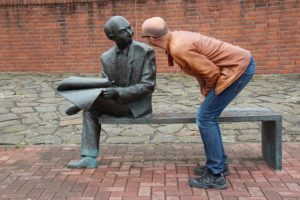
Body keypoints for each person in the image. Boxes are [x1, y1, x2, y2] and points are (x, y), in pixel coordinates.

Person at [141, 17, 256, 189]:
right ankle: (219, 165)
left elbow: (211, 73)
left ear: (152, 39)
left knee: (205, 118)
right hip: (238, 64)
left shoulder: (179, 47)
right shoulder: (176, 38)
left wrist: (207, 92)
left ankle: (215, 175)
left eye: (145, 38)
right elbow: (202, 70)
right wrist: (206, 91)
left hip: (238, 69)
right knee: (208, 115)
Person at [63, 16, 156, 168]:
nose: (130, 32)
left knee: (89, 106)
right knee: (90, 109)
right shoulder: (106, 57)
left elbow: (148, 86)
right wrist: (105, 89)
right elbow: (106, 83)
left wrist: (117, 92)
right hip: (116, 104)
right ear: (112, 37)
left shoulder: (145, 52)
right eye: (123, 31)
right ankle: (89, 157)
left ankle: (80, 103)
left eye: (129, 27)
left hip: (136, 106)